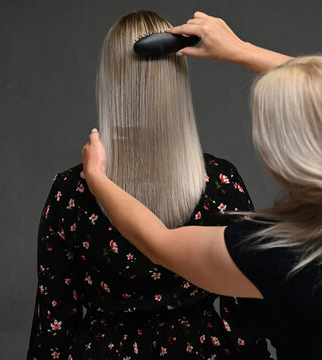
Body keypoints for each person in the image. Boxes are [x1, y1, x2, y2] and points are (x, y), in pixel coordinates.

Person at [27, 11, 274, 360]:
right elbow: (246, 315)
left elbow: (54, 320)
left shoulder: (72, 192)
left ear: (108, 81)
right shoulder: (220, 182)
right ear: (177, 81)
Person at [81, 12, 322, 360]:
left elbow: (159, 242)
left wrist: (98, 181)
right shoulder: (260, 232)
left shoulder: (275, 254)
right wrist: (241, 50)